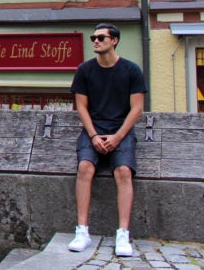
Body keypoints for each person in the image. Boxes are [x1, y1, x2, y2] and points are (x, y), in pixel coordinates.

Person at [67, 23, 146, 257]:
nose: (95, 41)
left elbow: (137, 108)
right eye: (93, 37)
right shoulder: (85, 70)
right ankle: (82, 231)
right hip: (93, 129)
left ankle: (123, 234)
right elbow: (81, 106)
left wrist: (118, 137)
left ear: (114, 41)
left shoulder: (131, 70)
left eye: (101, 37)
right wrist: (92, 135)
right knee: (84, 168)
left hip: (121, 131)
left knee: (123, 171)